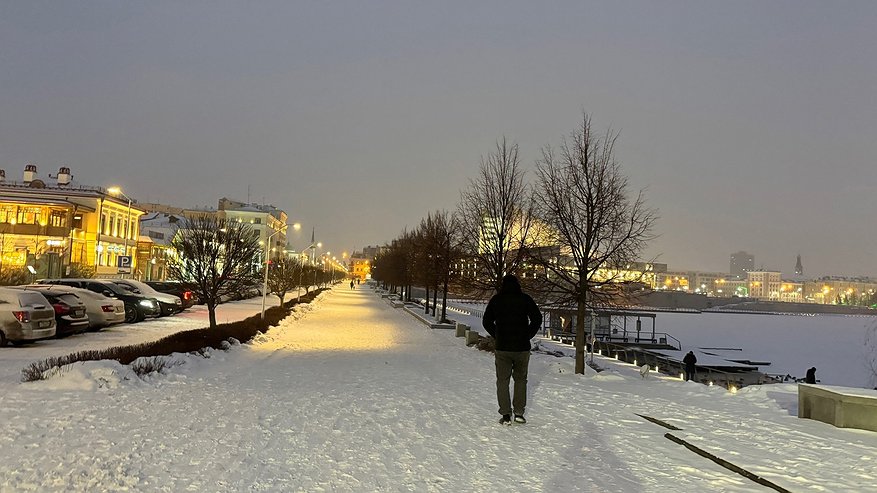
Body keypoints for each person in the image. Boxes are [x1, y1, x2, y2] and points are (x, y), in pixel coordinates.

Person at [482, 274, 542, 425]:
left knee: (502, 381)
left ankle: (506, 415)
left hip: (503, 347)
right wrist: (528, 334)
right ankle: (519, 413)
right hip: (522, 347)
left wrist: (497, 335)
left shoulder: (497, 300)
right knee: (521, 380)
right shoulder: (525, 299)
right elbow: (537, 318)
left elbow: (486, 321)